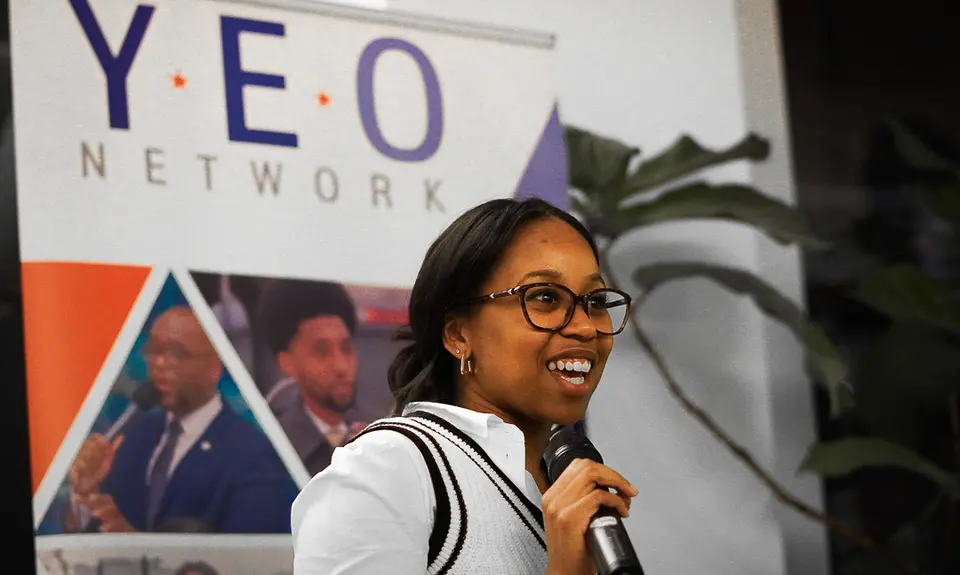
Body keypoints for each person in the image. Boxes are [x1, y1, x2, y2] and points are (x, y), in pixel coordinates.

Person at [290, 198, 637, 574]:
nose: (586, 327)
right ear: (458, 333)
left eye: (596, 301)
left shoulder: (567, 491)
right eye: (545, 297)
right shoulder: (388, 468)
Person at [65, 306, 297, 534]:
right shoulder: (133, 436)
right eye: (153, 351)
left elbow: (246, 559)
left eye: (177, 353)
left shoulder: (253, 454)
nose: (159, 364)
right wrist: (85, 495)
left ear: (215, 367)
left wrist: (134, 545)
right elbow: (94, 534)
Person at [257, 279, 368, 476]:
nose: (341, 367)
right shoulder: (271, 448)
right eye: (321, 351)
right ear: (287, 363)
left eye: (346, 348)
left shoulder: (378, 434)